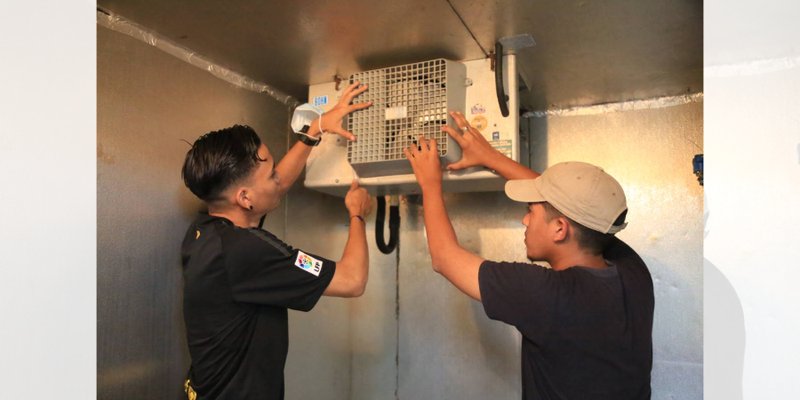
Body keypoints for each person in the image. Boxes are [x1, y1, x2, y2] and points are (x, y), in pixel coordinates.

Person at [404, 111, 654, 399]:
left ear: (560, 229)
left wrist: (430, 182)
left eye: (529, 212)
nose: (524, 221)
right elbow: (572, 207)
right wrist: (489, 157)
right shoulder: (633, 273)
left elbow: (445, 258)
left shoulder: (548, 294)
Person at [179, 82, 373, 400]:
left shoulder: (206, 230)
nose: (278, 178)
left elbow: (273, 189)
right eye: (270, 174)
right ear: (244, 198)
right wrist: (357, 214)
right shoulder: (250, 252)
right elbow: (352, 281)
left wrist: (315, 130)